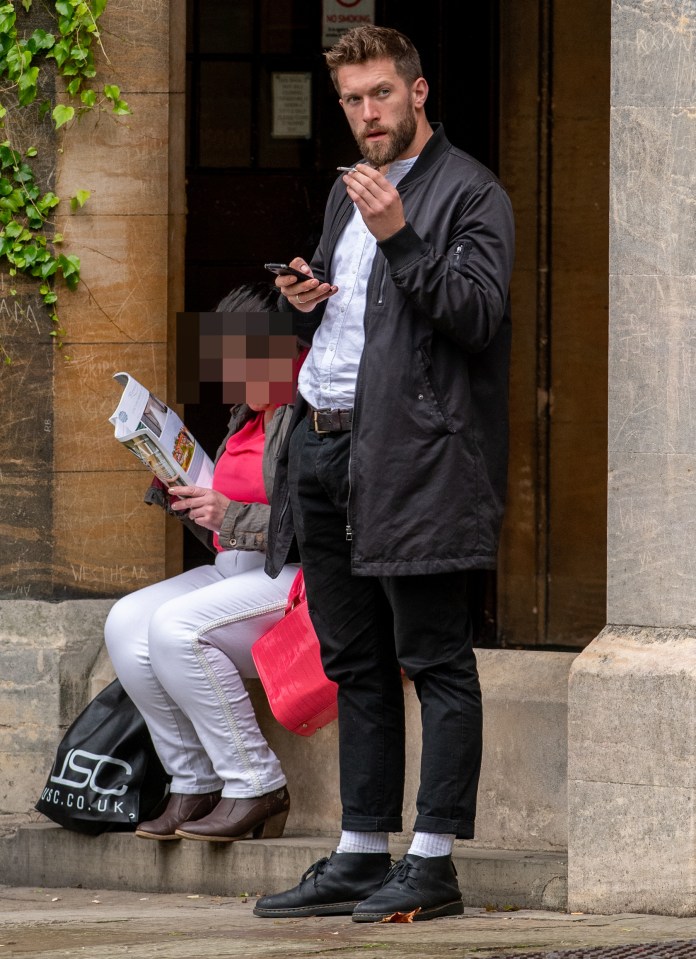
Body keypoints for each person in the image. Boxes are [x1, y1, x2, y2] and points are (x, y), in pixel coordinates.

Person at [253, 26, 515, 922]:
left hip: (417, 456)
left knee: (435, 658)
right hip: (325, 447)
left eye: (381, 96)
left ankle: (432, 859)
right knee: (354, 658)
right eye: (353, 101)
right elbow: (355, 323)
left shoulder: (470, 192)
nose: (367, 115)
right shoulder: (345, 196)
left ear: (419, 92)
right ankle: (363, 848)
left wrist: (399, 236)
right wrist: (306, 298)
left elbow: (475, 316)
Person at [104, 283, 299, 843]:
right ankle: (193, 780)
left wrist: (230, 514)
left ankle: (256, 783)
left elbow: (323, 520)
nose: (231, 383)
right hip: (238, 566)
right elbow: (226, 518)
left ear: (285, 351)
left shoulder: (311, 410)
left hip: (294, 575)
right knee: (126, 620)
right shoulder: (248, 410)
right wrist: (184, 494)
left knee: (176, 626)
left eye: (244, 366)